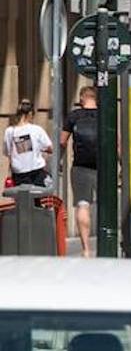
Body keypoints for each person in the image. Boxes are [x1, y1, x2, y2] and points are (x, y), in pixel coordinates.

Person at [62, 86, 100, 256]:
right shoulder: (106, 114)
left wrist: (59, 160)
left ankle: (86, 249)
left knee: (83, 205)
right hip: (103, 167)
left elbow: (62, 142)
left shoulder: (74, 116)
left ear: (82, 98)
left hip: (80, 167)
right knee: (105, 206)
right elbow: (117, 143)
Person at [6, 99, 53, 189]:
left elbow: (8, 152)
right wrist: (41, 149)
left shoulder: (10, 131)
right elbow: (50, 148)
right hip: (36, 172)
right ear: (30, 114)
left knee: (21, 200)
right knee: (38, 199)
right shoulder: (37, 129)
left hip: (18, 174)